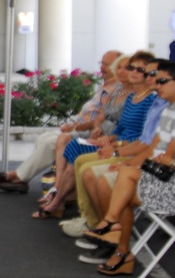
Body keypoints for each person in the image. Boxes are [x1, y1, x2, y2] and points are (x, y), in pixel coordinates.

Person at [85, 79, 175, 276]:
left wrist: (170, 162)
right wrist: (162, 160)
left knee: (124, 188)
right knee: (124, 177)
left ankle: (118, 241)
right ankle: (117, 240)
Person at [37, 51, 157, 218]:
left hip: (129, 149)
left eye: (140, 70)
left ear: (150, 75)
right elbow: (119, 128)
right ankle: (63, 199)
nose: (133, 72)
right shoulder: (131, 97)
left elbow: (144, 138)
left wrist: (115, 146)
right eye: (131, 68)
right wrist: (109, 138)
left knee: (82, 163)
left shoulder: (150, 100)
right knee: (74, 148)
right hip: (116, 141)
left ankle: (76, 209)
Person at [0, 50, 121, 193]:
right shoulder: (105, 87)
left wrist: (76, 127)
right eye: (101, 63)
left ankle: (19, 177)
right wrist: (73, 125)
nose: (101, 67)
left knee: (49, 142)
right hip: (79, 128)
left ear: (117, 67)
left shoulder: (115, 90)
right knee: (43, 138)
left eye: (106, 65)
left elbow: (101, 120)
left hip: (90, 132)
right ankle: (21, 178)